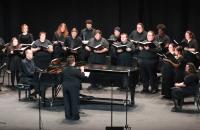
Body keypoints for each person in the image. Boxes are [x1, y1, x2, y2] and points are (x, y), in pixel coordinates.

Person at [61, 55, 86, 120]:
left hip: (65, 86)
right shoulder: (75, 70)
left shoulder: (64, 69)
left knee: (67, 102)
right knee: (74, 101)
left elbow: (60, 78)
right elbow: (82, 77)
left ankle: (68, 116)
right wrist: (82, 70)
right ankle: (74, 117)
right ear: (74, 62)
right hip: (73, 87)